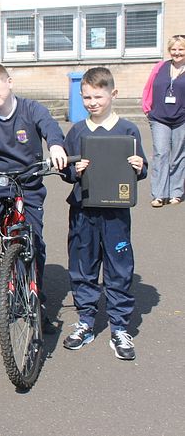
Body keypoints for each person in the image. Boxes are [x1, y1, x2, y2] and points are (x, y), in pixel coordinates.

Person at [0, 63, 68, 330]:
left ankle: (35, 297)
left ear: (9, 82)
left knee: (34, 240)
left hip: (27, 181)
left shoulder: (32, 109)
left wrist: (55, 145)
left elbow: (50, 127)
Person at [62, 67, 147, 360]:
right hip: (83, 211)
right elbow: (66, 172)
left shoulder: (128, 130)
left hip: (115, 215)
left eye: (98, 96)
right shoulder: (78, 131)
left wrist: (139, 166)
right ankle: (85, 320)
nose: (91, 102)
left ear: (113, 94)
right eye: (86, 97)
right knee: (83, 266)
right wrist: (75, 170)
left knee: (119, 267)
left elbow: (142, 169)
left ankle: (119, 327)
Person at [141, 34, 185, 207]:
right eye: (174, 49)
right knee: (161, 153)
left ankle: (176, 192)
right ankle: (159, 194)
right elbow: (149, 87)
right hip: (159, 117)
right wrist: (147, 109)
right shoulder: (160, 67)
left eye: (181, 49)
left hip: (182, 118)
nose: (177, 53)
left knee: (178, 156)